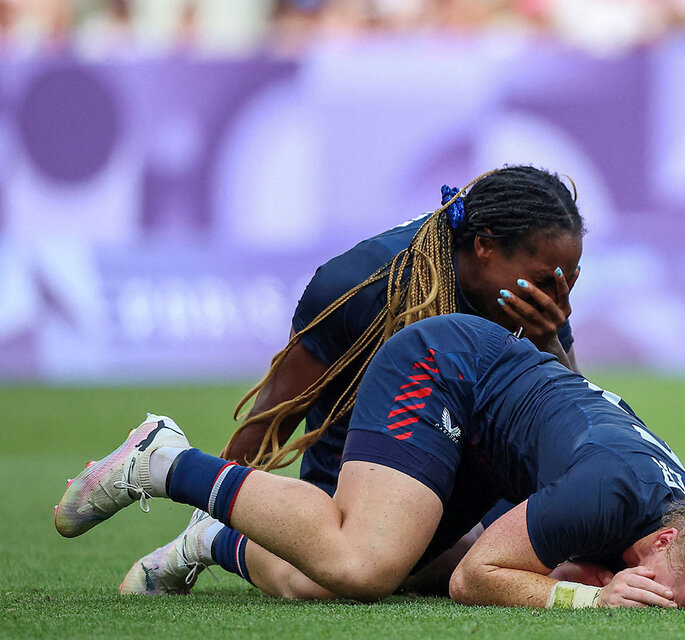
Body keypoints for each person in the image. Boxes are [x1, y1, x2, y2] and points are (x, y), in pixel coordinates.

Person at [56, 313, 685, 610]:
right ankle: (163, 460)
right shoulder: (608, 494)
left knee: (321, 585)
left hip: (496, 452)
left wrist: (586, 574)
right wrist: (593, 598)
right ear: (663, 540)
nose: (649, 600)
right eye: (654, 587)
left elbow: (544, 555)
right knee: (363, 563)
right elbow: (476, 580)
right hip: (443, 369)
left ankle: (210, 541)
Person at [121, 164, 588, 594]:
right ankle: (210, 541)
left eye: (568, 281)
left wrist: (549, 341)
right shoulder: (363, 284)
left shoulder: (542, 303)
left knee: (555, 560)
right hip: (364, 470)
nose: (558, 296)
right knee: (343, 577)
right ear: (484, 247)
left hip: (472, 476)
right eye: (546, 281)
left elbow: (579, 425)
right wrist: (218, 505)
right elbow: (272, 418)